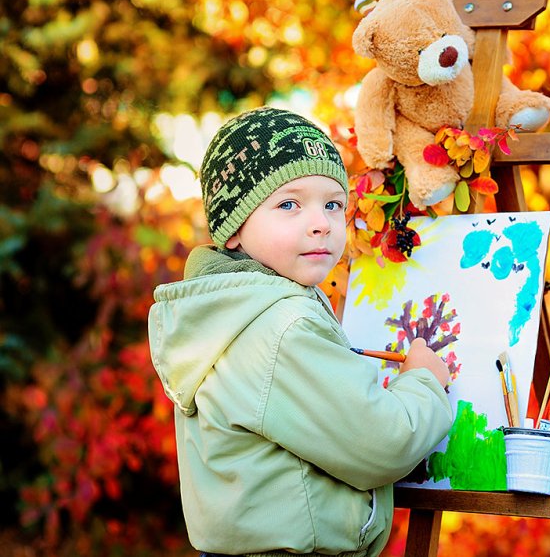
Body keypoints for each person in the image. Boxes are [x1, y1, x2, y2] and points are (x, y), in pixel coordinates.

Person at [148, 107, 453, 557]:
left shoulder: (235, 310)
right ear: (233, 230)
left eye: (333, 204)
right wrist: (425, 379)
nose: (321, 223)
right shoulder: (279, 326)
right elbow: (383, 442)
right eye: (289, 204)